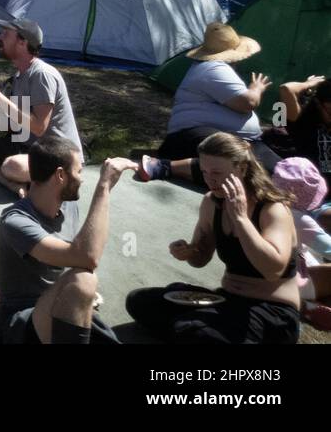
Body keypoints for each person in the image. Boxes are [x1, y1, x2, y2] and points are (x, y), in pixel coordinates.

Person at [125, 132, 300, 344]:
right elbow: (200, 259)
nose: (210, 179)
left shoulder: (272, 209)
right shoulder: (212, 203)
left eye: (217, 172)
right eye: (204, 172)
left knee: (192, 331)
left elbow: (272, 270)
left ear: (241, 168)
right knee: (141, 301)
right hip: (225, 301)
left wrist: (241, 219)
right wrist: (189, 251)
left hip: (273, 312)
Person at [0, 135, 137, 343]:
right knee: (83, 279)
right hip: (22, 325)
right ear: (60, 175)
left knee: (82, 284)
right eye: (78, 171)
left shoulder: (67, 206)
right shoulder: (15, 222)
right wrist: (104, 187)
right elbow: (87, 258)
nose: (82, 178)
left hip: (54, 309)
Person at [136, 22, 279, 185]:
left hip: (234, 139)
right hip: (190, 138)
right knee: (245, 166)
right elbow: (248, 102)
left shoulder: (212, 67)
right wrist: (257, 88)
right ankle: (165, 167)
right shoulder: (214, 68)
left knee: (280, 172)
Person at [0, 18, 83, 194]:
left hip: (59, 156)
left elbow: (38, 127)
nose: (0, 37)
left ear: (22, 42)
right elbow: (17, 121)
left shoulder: (42, 75)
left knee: (12, 166)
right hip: (28, 146)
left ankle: (51, 176)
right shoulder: (20, 76)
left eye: (6, 34)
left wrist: (0, 99)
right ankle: (9, 183)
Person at [270, 157, 331, 331]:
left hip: (262, 279)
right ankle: (300, 303)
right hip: (290, 282)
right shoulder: (298, 218)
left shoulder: (263, 204)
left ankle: (309, 304)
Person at [270, 75, 331, 214]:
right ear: (317, 103)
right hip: (312, 201)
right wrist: (309, 83)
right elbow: (286, 89)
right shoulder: (301, 120)